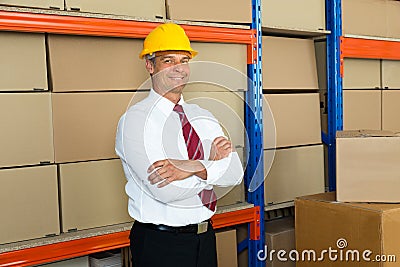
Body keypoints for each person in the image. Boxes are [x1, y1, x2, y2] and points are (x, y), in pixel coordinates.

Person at [115, 23, 244, 267]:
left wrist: (190, 167)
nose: (179, 68)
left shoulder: (202, 115)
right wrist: (211, 166)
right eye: (168, 61)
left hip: (205, 237)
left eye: (184, 60)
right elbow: (166, 191)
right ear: (150, 66)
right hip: (162, 243)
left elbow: (235, 173)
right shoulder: (135, 121)